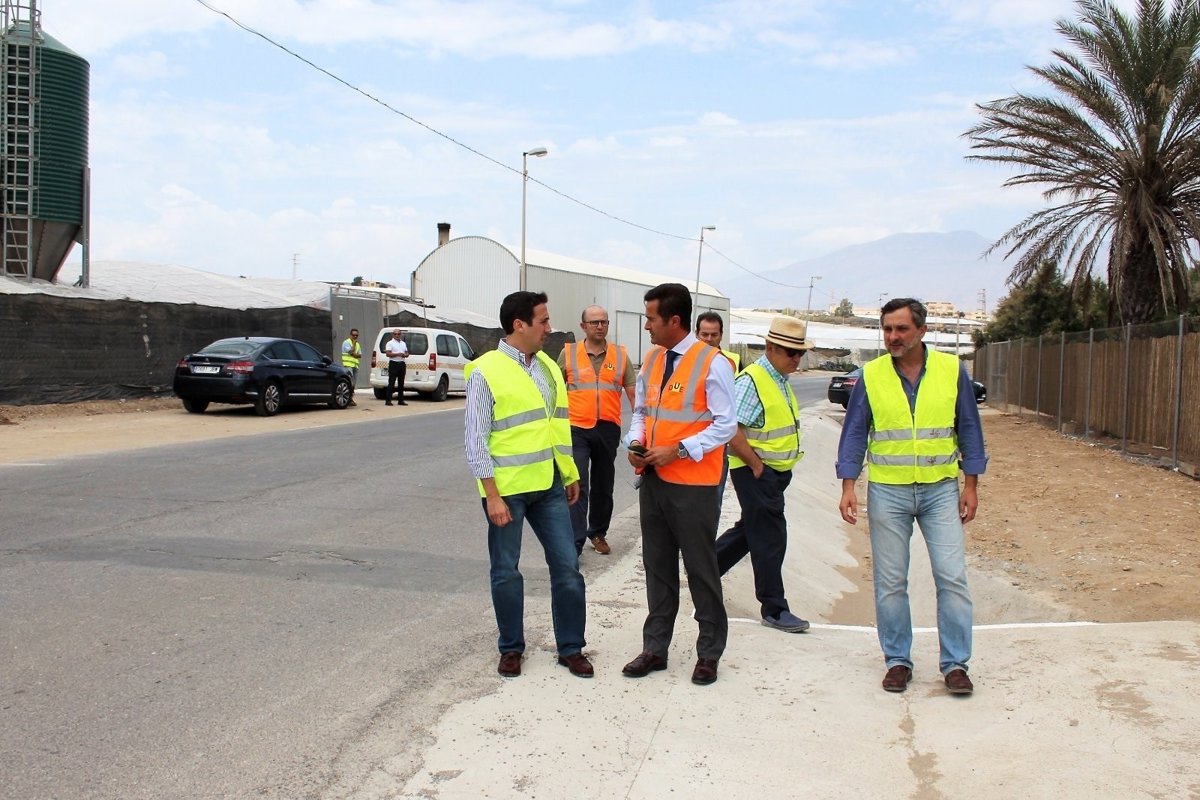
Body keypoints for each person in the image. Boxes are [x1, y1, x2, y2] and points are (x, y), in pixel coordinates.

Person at [836, 297, 988, 696]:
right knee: (890, 582)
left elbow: (969, 428)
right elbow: (855, 431)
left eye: (901, 329)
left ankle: (956, 665)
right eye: (887, 329)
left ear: (922, 330)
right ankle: (897, 661)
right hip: (888, 491)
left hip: (940, 489)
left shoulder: (952, 370)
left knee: (952, 577)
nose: (893, 336)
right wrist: (848, 485)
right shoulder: (871, 375)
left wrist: (971, 485)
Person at [464, 290, 593, 680]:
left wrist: (568, 473)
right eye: (543, 320)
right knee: (506, 571)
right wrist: (492, 495)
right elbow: (475, 439)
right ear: (519, 325)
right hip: (507, 491)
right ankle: (511, 648)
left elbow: (557, 426)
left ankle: (571, 648)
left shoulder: (548, 367)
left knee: (568, 567)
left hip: (549, 485)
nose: (549, 328)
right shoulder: (485, 371)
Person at [623, 283, 736, 686]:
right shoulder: (653, 360)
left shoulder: (713, 363)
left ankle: (709, 653)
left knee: (701, 569)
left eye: (651, 319)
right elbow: (642, 413)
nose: (646, 326)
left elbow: (726, 425)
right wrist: (635, 444)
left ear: (674, 320)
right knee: (657, 568)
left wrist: (681, 450)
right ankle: (655, 648)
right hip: (654, 481)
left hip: (694, 485)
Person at [716, 315, 812, 633]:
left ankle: (705, 568)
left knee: (751, 530)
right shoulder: (753, 380)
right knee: (771, 538)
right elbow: (731, 430)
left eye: (800, 353)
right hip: (756, 472)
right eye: (791, 353)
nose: (797, 359)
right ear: (771, 348)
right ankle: (774, 608)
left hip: (772, 473)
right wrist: (757, 466)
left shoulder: (778, 379)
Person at [557, 305, 636, 556]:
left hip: (608, 429)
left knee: (603, 486)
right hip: (576, 428)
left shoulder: (621, 356)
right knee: (578, 481)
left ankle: (598, 532)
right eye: (594, 322)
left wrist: (642, 429)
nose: (600, 326)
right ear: (583, 326)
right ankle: (575, 542)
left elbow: (634, 394)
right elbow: (555, 391)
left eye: (604, 322)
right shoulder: (568, 354)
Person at [696, 311, 738, 508]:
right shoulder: (685, 362)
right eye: (704, 334)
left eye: (714, 334)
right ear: (697, 334)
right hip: (691, 441)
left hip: (719, 444)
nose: (709, 339)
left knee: (713, 501)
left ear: (721, 335)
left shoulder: (731, 362)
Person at [384, 329, 409, 406]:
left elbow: (407, 353)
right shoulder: (390, 343)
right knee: (391, 383)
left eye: (398, 334)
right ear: (393, 335)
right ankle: (388, 400)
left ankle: (401, 400)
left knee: (401, 383)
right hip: (394, 364)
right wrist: (397, 354)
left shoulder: (403, 343)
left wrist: (405, 355)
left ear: (400, 335)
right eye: (395, 334)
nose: (397, 335)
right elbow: (388, 354)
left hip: (402, 364)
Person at [340, 328, 361, 406]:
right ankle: (348, 399)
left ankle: (350, 398)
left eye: (356, 335)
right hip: (348, 365)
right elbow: (351, 352)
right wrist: (354, 345)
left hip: (355, 365)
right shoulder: (346, 342)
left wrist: (355, 354)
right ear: (350, 335)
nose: (355, 336)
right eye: (353, 335)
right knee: (349, 382)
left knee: (353, 383)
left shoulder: (358, 344)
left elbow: (360, 355)